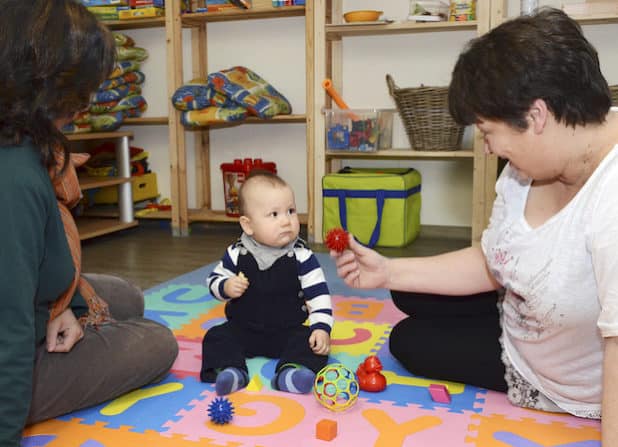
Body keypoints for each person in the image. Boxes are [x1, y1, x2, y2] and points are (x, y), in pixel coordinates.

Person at [332, 7, 618, 445]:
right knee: (404, 291)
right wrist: (386, 270)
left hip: (567, 372)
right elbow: (497, 256)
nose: (486, 149)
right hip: (530, 314)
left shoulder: (610, 197)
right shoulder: (531, 163)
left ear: (536, 116)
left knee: (410, 341)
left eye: (487, 131)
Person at [0, 2, 178, 446]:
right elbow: (9, 324)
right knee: (156, 341)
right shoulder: (15, 176)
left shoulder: (24, 142)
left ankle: (72, 315)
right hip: (14, 343)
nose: (87, 104)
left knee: (126, 296)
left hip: (31, 302)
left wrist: (68, 309)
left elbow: (41, 258)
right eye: (81, 92)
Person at [201, 171, 333, 395]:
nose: (286, 221)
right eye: (274, 214)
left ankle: (288, 374)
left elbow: (319, 296)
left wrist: (321, 328)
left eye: (290, 211)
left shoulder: (301, 255)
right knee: (215, 337)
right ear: (248, 225)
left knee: (313, 343)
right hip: (243, 329)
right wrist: (225, 286)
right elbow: (213, 280)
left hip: (288, 331)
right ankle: (234, 371)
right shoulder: (237, 253)